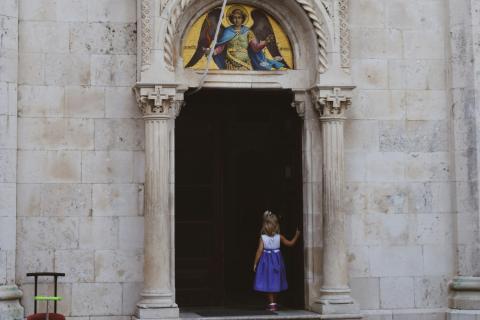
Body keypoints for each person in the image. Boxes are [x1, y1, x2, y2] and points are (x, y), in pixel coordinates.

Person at [253, 210, 301, 311]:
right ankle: (273, 302)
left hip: (266, 262)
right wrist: (296, 235)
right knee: (275, 281)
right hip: (277, 262)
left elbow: (259, 251)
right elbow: (290, 243)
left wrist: (255, 263)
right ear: (276, 225)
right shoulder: (279, 237)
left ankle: (272, 303)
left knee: (269, 282)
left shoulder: (263, 238)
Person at [210, 6, 284, 70]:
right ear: (231, 19)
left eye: (239, 17)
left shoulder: (248, 32)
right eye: (234, 17)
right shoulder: (227, 31)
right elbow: (221, 47)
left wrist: (266, 42)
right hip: (230, 61)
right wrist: (212, 52)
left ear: (243, 19)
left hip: (246, 62)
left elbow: (255, 48)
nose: (237, 20)